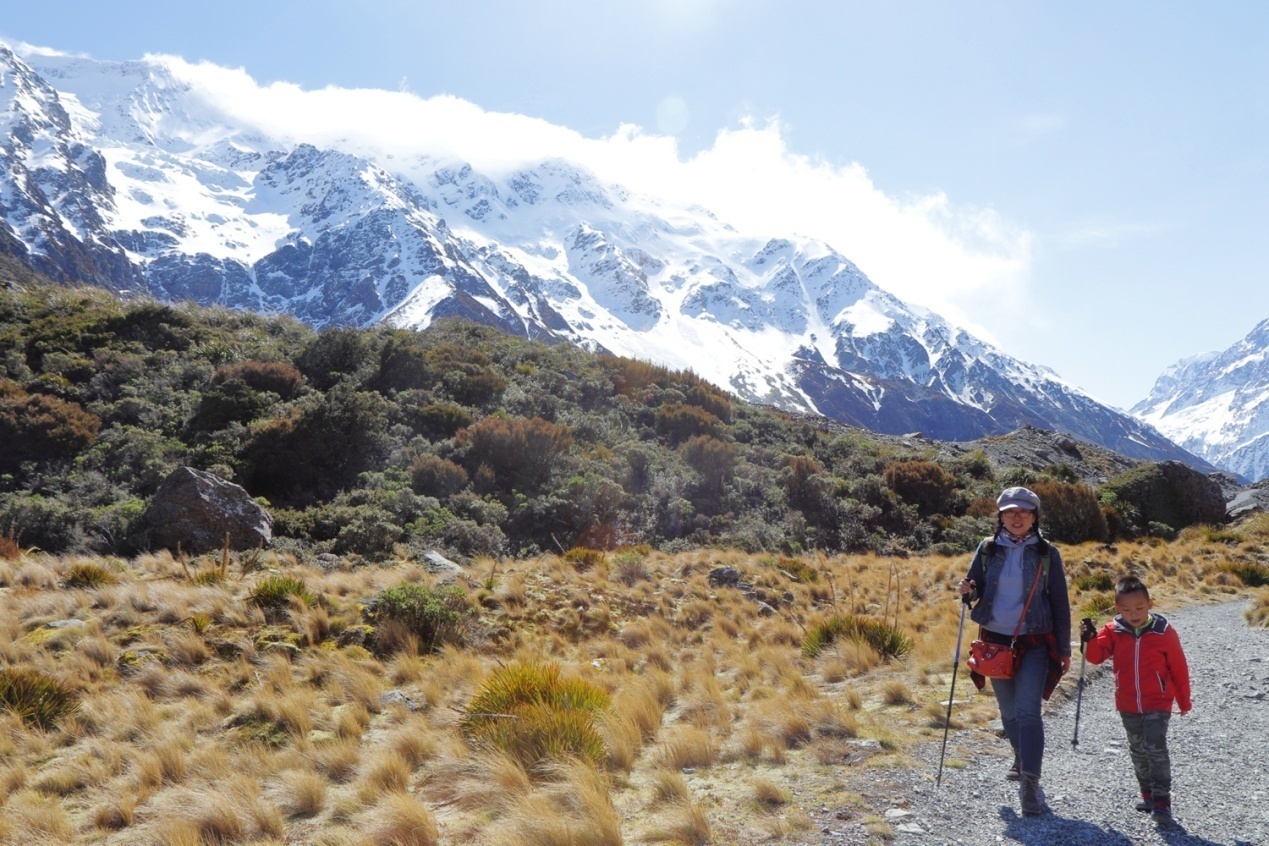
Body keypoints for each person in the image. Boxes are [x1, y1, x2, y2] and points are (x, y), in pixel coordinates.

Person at [958, 486, 1071, 816]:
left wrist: (1063, 649)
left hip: (1035, 642)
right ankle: (1020, 756)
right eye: (1010, 511)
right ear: (1001, 516)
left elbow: (1060, 605)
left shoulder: (1047, 553)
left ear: (1034, 516)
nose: (1016, 517)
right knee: (1008, 714)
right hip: (995, 643)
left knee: (1027, 712)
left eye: (1023, 511)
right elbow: (973, 587)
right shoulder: (987, 549)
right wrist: (967, 591)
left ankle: (1030, 786)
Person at [1079, 576, 1191, 820]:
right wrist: (1088, 639)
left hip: (1158, 701)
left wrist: (1184, 701)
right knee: (1138, 749)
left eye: (1139, 608)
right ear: (1117, 607)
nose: (1134, 613)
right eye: (1127, 609)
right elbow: (1096, 657)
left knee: (1155, 747)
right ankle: (1147, 794)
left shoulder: (1164, 632)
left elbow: (1178, 667)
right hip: (1127, 702)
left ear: (1150, 604)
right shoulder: (1112, 631)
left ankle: (1162, 800)